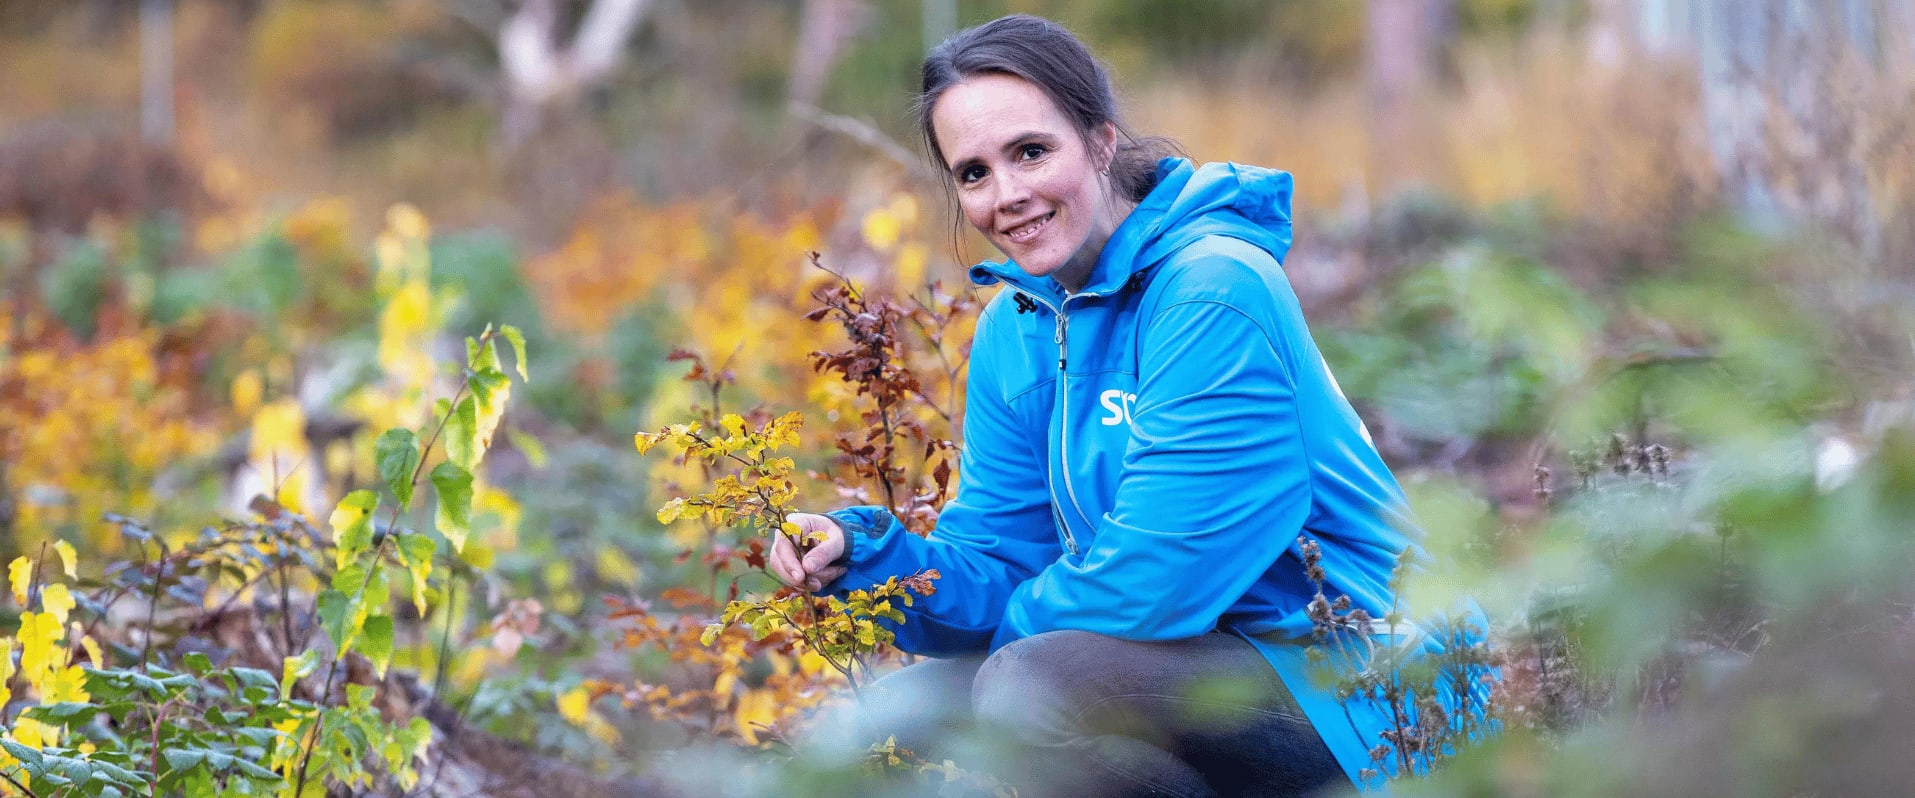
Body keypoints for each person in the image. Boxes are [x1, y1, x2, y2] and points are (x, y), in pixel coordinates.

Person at [769, 14, 1489, 797]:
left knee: (1031, 688)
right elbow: (1004, 558)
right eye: (972, 173)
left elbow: (1157, 581)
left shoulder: (1214, 288)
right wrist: (866, 559)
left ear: (1101, 141)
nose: (1006, 194)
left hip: (1368, 693)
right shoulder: (1015, 331)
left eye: (1030, 152)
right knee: (880, 725)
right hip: (1176, 673)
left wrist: (988, 669)